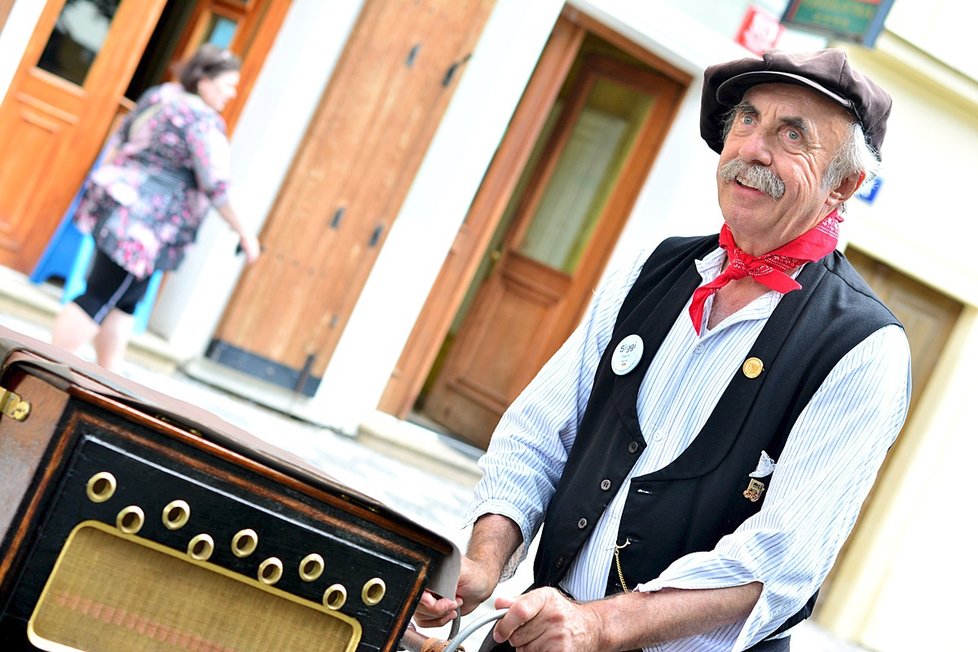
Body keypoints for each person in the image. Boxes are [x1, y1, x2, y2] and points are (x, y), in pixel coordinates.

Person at [415, 49, 911, 651]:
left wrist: (600, 627)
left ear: (844, 185)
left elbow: (782, 558)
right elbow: (540, 433)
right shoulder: (655, 269)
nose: (754, 149)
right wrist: (485, 563)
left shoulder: (864, 348)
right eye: (748, 120)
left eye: (792, 135)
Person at [51, 44, 261, 372]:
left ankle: (109, 379)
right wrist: (246, 233)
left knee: (125, 303)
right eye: (228, 84)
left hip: (118, 206)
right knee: (98, 297)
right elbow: (216, 184)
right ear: (205, 80)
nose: (232, 93)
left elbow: (120, 139)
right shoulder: (202, 119)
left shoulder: (160, 96)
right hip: (143, 227)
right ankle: (43, 368)